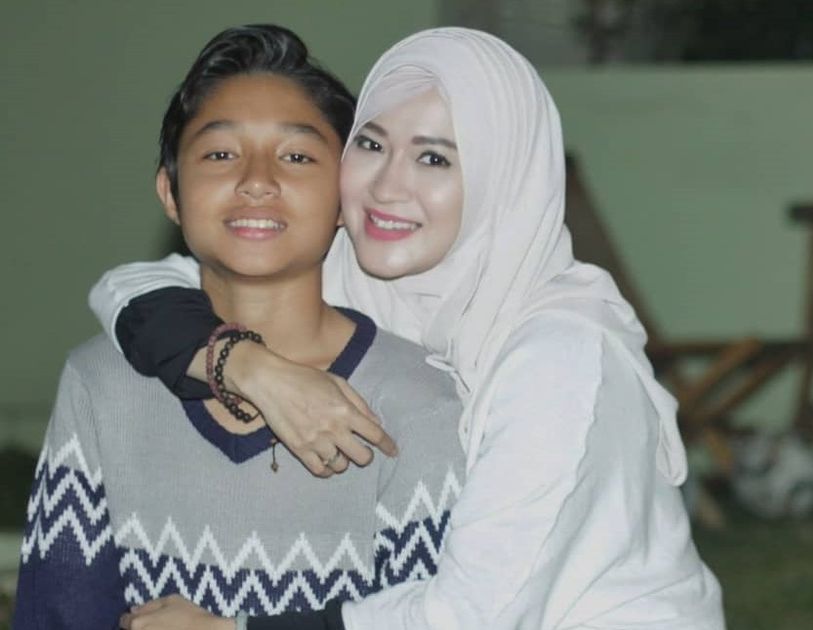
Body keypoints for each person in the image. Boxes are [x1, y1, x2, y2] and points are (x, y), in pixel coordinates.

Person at [95, 27, 725, 629]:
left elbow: (473, 617)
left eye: (434, 158)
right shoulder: (358, 280)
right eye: (371, 145)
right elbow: (133, 288)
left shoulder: (560, 358)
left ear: (502, 178)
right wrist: (246, 367)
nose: (387, 186)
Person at [13, 25, 465, 630]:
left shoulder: (418, 402)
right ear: (170, 192)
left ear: (345, 196)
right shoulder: (101, 383)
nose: (256, 180)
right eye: (221, 154)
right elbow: (56, 614)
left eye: (297, 156)